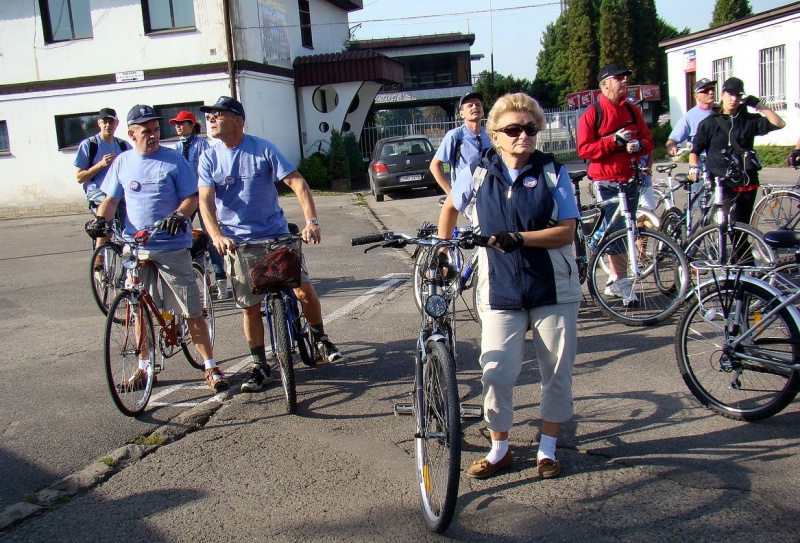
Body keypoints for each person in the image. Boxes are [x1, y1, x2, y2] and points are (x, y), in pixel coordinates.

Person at [438, 92, 581, 479]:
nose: (524, 136)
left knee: (556, 373)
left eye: (530, 129)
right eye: (514, 130)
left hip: (553, 287)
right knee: (496, 372)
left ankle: (547, 449)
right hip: (499, 288)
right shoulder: (479, 171)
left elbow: (566, 231)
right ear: (495, 136)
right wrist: (445, 251)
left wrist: (520, 238)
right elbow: (449, 208)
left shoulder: (552, 171)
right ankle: (499, 449)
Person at [197, 96, 343, 393]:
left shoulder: (263, 148)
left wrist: (311, 221)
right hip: (238, 243)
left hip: (276, 236)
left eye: (218, 114)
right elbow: (205, 201)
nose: (211, 119)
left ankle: (320, 338)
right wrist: (216, 235)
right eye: (209, 115)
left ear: (238, 120)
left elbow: (297, 183)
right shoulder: (209, 157)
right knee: (250, 308)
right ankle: (259, 365)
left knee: (303, 290)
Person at [91, 104, 229, 393]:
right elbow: (111, 201)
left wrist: (179, 215)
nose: (153, 135)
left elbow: (191, 198)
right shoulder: (122, 162)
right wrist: (99, 221)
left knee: (191, 308)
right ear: (132, 134)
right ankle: (144, 368)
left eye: (156, 130)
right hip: (136, 247)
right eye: (146, 131)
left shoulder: (173, 159)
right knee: (138, 308)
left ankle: (210, 366)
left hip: (171, 245)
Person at [577, 62, 654, 307]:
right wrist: (613, 141)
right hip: (606, 180)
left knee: (630, 226)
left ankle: (615, 276)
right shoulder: (593, 113)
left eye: (625, 77)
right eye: (619, 78)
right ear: (605, 84)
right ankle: (622, 280)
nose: (624, 81)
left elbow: (648, 140)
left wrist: (638, 146)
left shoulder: (632, 110)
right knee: (617, 230)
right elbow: (584, 149)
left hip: (630, 177)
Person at [688, 77, 785, 225]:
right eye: (730, 94)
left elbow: (779, 123)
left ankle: (740, 241)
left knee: (742, 227)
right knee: (727, 225)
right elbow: (695, 150)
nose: (733, 99)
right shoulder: (709, 123)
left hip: (747, 181)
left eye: (738, 95)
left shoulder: (749, 120)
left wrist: (757, 104)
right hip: (722, 182)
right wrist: (694, 167)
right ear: (722, 95)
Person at [168, 110, 229, 300]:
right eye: (176, 124)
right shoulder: (176, 148)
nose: (178, 126)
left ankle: (221, 279)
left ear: (192, 125)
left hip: (200, 196)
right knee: (183, 236)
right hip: (185, 199)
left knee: (211, 235)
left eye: (182, 123)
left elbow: (207, 171)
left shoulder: (201, 145)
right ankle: (194, 275)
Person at [74, 108, 131, 256]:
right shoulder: (89, 145)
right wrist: (100, 165)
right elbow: (79, 177)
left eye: (111, 122)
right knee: (106, 220)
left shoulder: (124, 146)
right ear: (99, 123)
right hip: (98, 191)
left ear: (117, 123)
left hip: (119, 193)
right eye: (104, 122)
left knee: (130, 227)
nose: (108, 125)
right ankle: (99, 260)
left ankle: (129, 262)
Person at [429, 92, 492, 195]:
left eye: (477, 104)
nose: (474, 107)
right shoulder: (455, 136)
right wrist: (451, 194)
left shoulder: (491, 135)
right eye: (470, 106)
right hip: (467, 196)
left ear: (482, 110)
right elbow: (434, 166)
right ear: (461, 114)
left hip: (489, 194)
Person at [665, 78, 717, 158]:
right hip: (701, 162)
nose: (711, 92)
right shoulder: (690, 117)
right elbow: (673, 139)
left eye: (712, 89)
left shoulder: (722, 111)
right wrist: (671, 146)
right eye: (706, 91)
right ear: (696, 96)